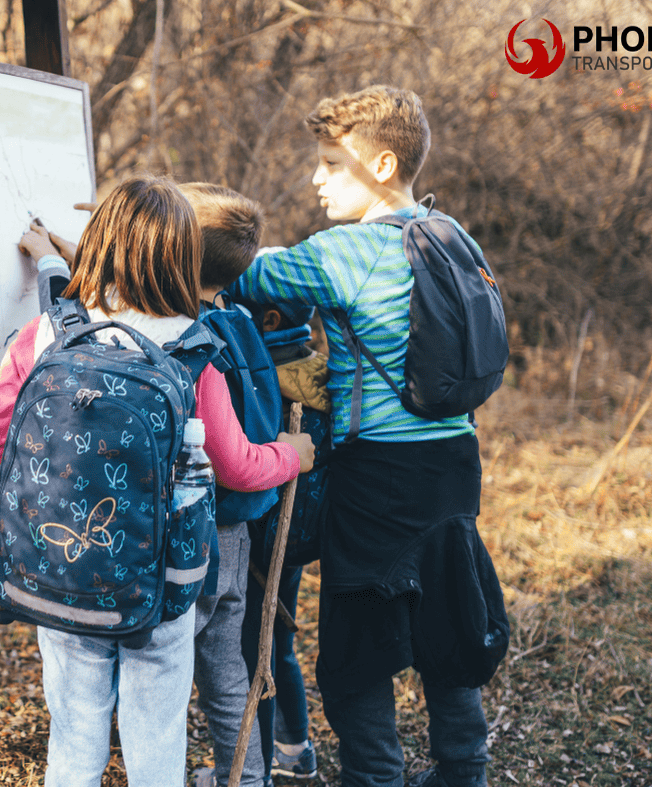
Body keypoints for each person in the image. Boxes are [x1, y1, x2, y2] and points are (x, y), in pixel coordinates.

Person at [0, 175, 314, 787]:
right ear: (183, 256)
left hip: (62, 567)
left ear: (97, 244)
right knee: (155, 732)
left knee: (74, 729)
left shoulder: (48, 334)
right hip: (161, 583)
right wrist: (292, 455)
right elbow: (235, 465)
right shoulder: (192, 347)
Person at [228, 86, 507, 787]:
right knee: (449, 625)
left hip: (377, 476)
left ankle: (375, 779)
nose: (316, 179)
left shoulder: (341, 253)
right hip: (454, 464)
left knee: (355, 655)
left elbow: (240, 275)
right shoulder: (452, 234)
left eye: (330, 163)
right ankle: (461, 771)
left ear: (381, 166)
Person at [175, 182, 291, 787]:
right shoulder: (237, 316)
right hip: (236, 524)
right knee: (225, 659)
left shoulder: (185, 331)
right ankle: (245, 776)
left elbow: (230, 456)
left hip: (187, 524)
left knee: (164, 661)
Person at [243, 299, 330, 782]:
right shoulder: (321, 374)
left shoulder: (269, 382)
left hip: (262, 540)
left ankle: (257, 767)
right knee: (279, 645)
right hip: (297, 537)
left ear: (270, 321)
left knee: (253, 653)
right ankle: (295, 748)